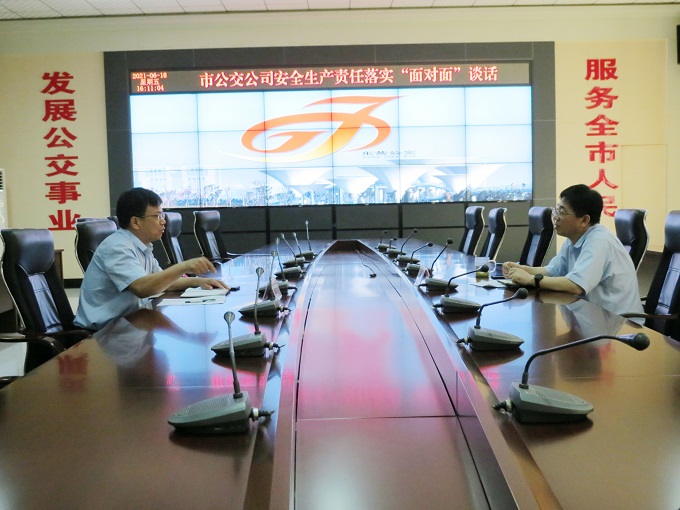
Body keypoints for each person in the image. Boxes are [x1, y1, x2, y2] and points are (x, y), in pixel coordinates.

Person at [74, 187, 229, 330]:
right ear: (135, 222)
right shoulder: (117, 247)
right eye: (157, 216)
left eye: (162, 215)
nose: (163, 221)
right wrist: (184, 266)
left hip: (129, 323)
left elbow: (163, 283)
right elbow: (142, 288)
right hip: (101, 333)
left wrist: (199, 281)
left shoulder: (141, 245)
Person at [502, 184, 644, 318]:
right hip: (593, 317)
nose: (555, 217)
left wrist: (530, 280)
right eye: (556, 210)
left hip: (619, 323)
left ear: (584, 220)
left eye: (562, 212)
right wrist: (522, 269)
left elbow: (576, 285)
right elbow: (552, 271)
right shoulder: (574, 239)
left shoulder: (599, 241)